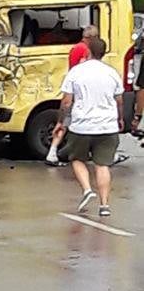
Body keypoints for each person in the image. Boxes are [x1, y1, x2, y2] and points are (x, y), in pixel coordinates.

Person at [58, 36, 124, 217]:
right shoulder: (112, 73)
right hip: (107, 126)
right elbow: (119, 100)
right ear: (104, 52)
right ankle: (104, 205)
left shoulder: (76, 72)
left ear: (88, 51)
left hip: (81, 126)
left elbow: (66, 102)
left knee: (77, 159)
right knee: (103, 165)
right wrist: (119, 119)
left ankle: (87, 190)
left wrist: (61, 122)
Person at [46, 24, 99, 165]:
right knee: (85, 122)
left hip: (72, 89)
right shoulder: (85, 50)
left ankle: (52, 151)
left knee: (64, 123)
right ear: (92, 38)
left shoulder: (75, 48)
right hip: (80, 93)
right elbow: (84, 69)